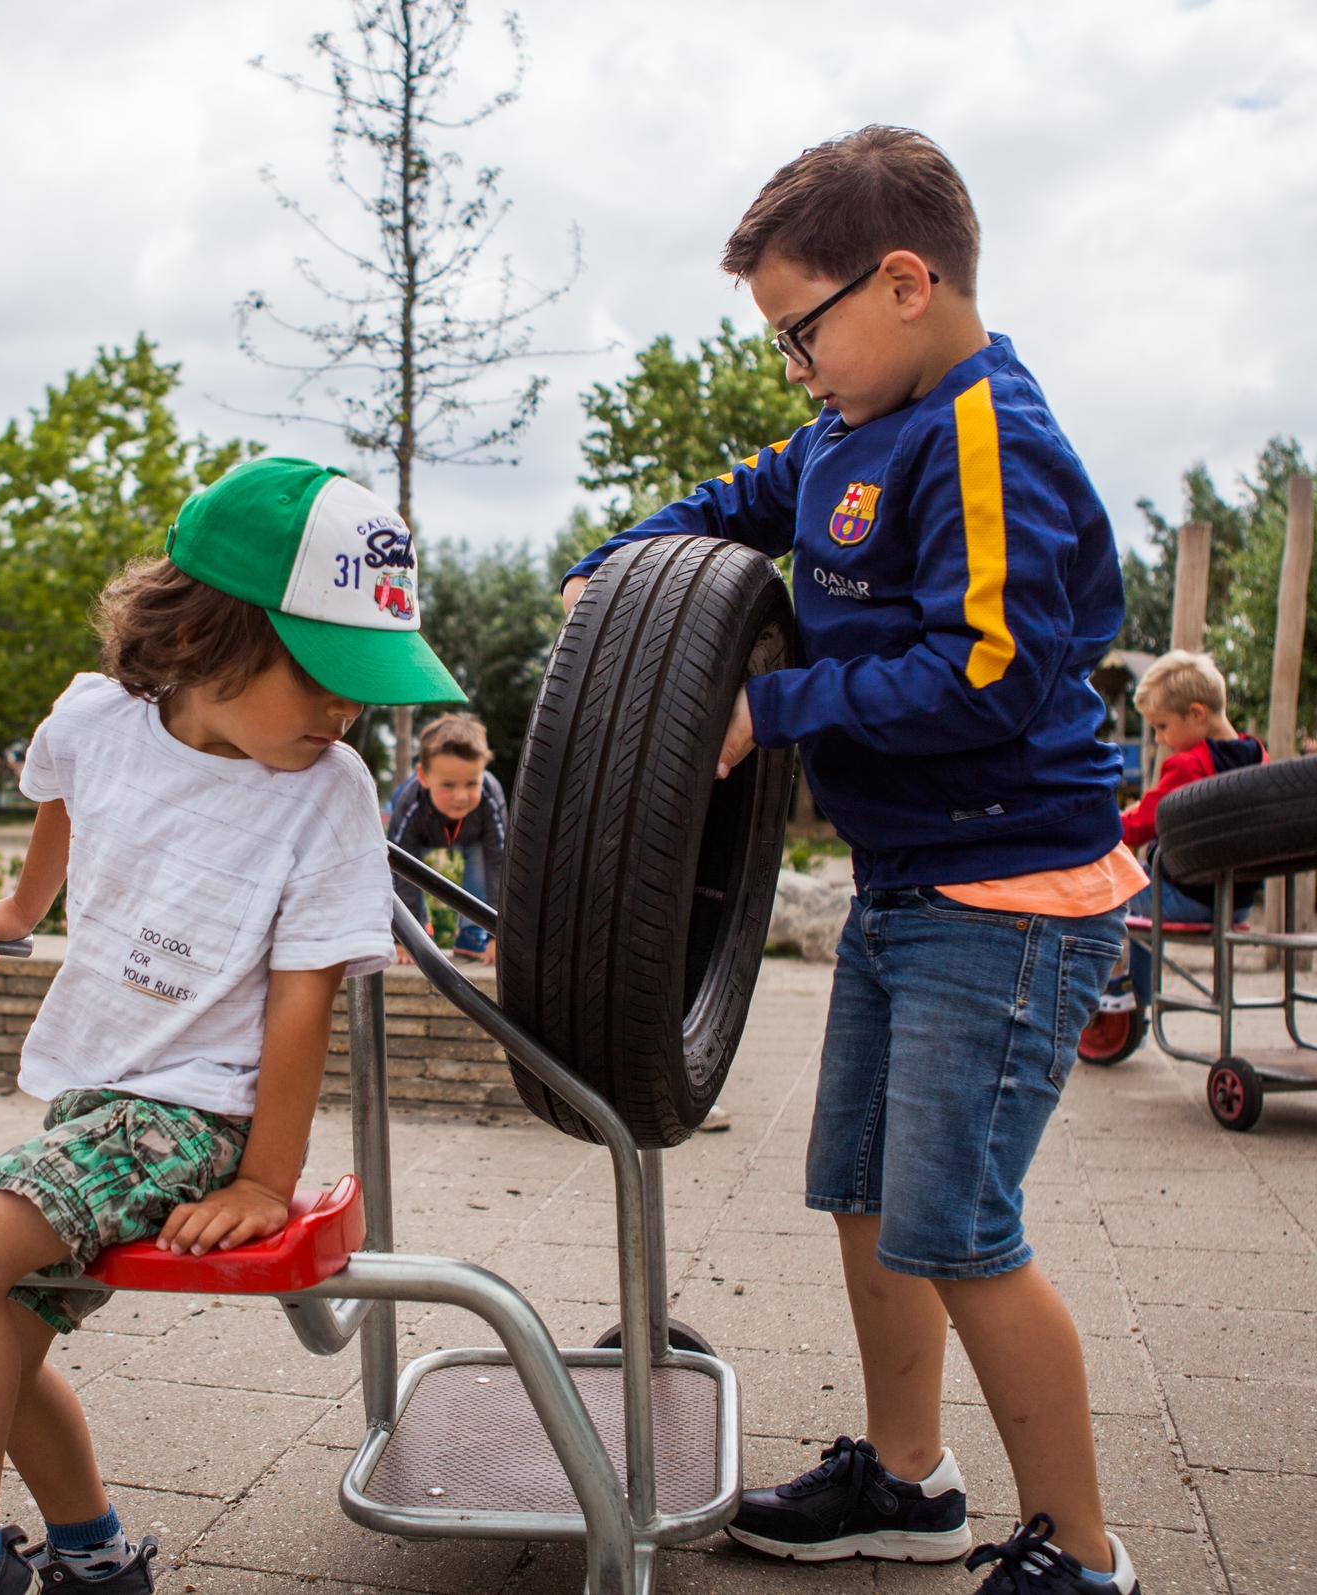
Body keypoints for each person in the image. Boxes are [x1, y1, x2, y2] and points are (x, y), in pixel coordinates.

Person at [562, 127, 1146, 1592]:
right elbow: (732, 506)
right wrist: (617, 570)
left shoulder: (990, 438)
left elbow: (989, 672)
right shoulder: (843, 429)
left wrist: (772, 709)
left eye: (799, 331)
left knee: (960, 1230)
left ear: (902, 281)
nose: (793, 368)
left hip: (1009, 896)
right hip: (908, 883)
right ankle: (906, 1477)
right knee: (870, 1197)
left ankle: (1081, 1553)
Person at [0, 457, 463, 1595]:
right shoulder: (96, 716)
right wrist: (25, 908)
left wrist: (264, 1179)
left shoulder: (328, 791)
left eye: (362, 685)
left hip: (194, 1116)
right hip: (94, 1096)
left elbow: (304, 998)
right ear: (206, 639)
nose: (345, 711)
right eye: (324, 674)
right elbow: (63, 790)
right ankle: (97, 1559)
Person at [1097, 649, 1266, 1038]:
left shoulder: (1188, 765)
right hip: (1236, 902)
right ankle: (1136, 997)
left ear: (1197, 714)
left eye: (1162, 726)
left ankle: (1119, 997)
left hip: (1188, 898)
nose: (1159, 739)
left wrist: (1096, 826)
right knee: (1138, 905)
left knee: (1104, 885)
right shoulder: (1256, 756)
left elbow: (1139, 826)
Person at [387, 712, 508, 963]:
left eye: (471, 783)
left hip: (473, 838)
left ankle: (474, 929)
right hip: (420, 839)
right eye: (448, 785)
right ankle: (416, 930)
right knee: (406, 866)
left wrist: (498, 933)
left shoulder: (490, 796)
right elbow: (397, 869)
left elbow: (500, 864)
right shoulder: (409, 803)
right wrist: (403, 937)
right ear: (423, 776)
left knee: (485, 856)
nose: (461, 796)